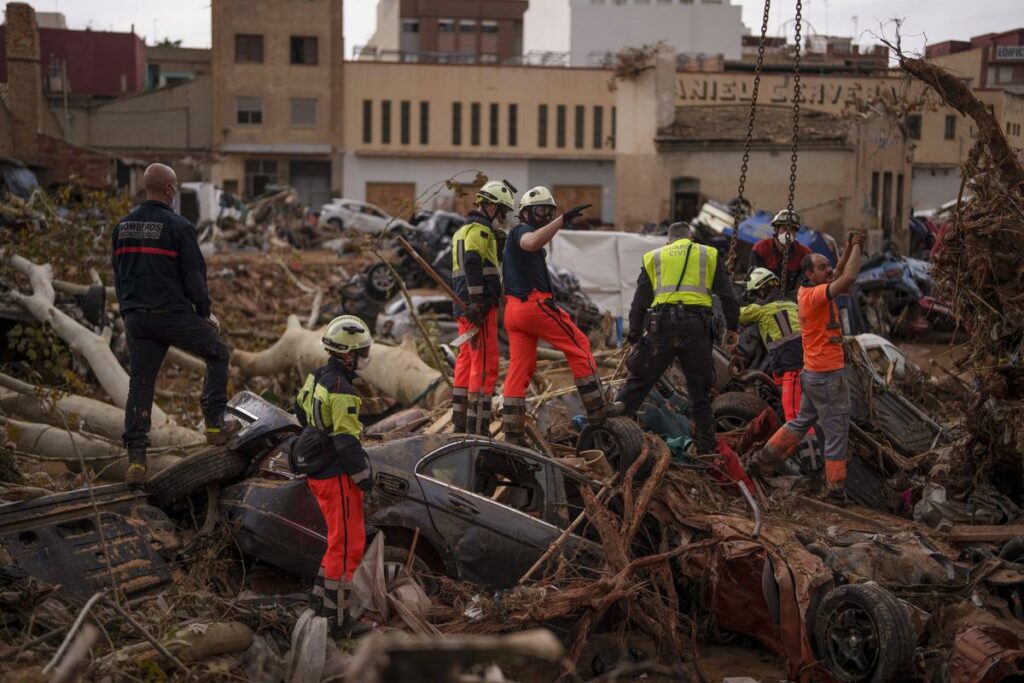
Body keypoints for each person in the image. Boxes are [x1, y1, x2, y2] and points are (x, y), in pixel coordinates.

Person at [112, 163, 237, 487]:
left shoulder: (122, 226)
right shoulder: (178, 226)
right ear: (169, 190)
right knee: (217, 353)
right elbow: (194, 277)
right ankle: (213, 424)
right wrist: (205, 311)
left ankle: (137, 461)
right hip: (171, 315)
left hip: (137, 318)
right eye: (176, 188)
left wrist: (128, 311)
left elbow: (118, 273)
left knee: (140, 384)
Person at [747, 231, 865, 500]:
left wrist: (846, 247)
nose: (828, 271)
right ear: (809, 274)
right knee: (836, 432)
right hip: (827, 377)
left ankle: (760, 462)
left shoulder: (808, 289)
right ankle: (835, 489)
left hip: (812, 375)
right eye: (822, 268)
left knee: (800, 422)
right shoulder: (815, 297)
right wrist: (858, 245)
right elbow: (849, 277)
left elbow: (837, 271)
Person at [501, 186, 616, 444]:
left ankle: (512, 432)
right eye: (540, 210)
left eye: (548, 211)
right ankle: (598, 409)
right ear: (526, 213)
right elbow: (532, 242)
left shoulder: (517, 235)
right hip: (534, 306)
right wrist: (561, 219)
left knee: (521, 368)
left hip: (514, 311)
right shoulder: (521, 231)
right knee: (579, 345)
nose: (544, 216)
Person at [616, 222, 740, 454]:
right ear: (690, 238)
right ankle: (706, 450)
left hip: (662, 327)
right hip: (698, 329)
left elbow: (639, 302)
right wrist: (732, 328)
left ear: (669, 241)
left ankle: (612, 432)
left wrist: (634, 337)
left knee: (639, 382)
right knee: (699, 394)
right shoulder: (708, 254)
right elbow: (728, 296)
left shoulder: (654, 257)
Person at [296, 315, 375, 638]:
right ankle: (339, 621)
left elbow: (300, 411)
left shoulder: (318, 376)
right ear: (348, 355)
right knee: (347, 548)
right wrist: (365, 479)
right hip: (337, 476)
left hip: (318, 471)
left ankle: (319, 603)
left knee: (336, 544)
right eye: (362, 353)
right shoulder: (343, 390)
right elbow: (347, 441)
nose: (365, 359)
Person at [450, 179, 516, 434]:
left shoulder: (462, 231)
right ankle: (478, 424)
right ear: (491, 207)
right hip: (478, 309)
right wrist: (478, 301)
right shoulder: (481, 230)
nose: (502, 218)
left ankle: (460, 420)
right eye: (501, 212)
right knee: (486, 364)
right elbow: (472, 261)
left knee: (465, 360)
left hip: (462, 307)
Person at [739, 267, 805, 421]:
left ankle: (804, 444)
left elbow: (736, 315)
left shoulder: (760, 309)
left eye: (754, 295)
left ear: (761, 292)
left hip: (791, 368)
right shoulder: (792, 305)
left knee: (794, 417)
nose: (755, 299)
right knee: (795, 411)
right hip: (801, 364)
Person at [751, 209, 812, 296]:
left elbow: (804, 285)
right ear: (776, 229)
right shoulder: (761, 249)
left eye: (792, 230)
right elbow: (756, 282)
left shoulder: (804, 254)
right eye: (785, 228)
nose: (788, 233)